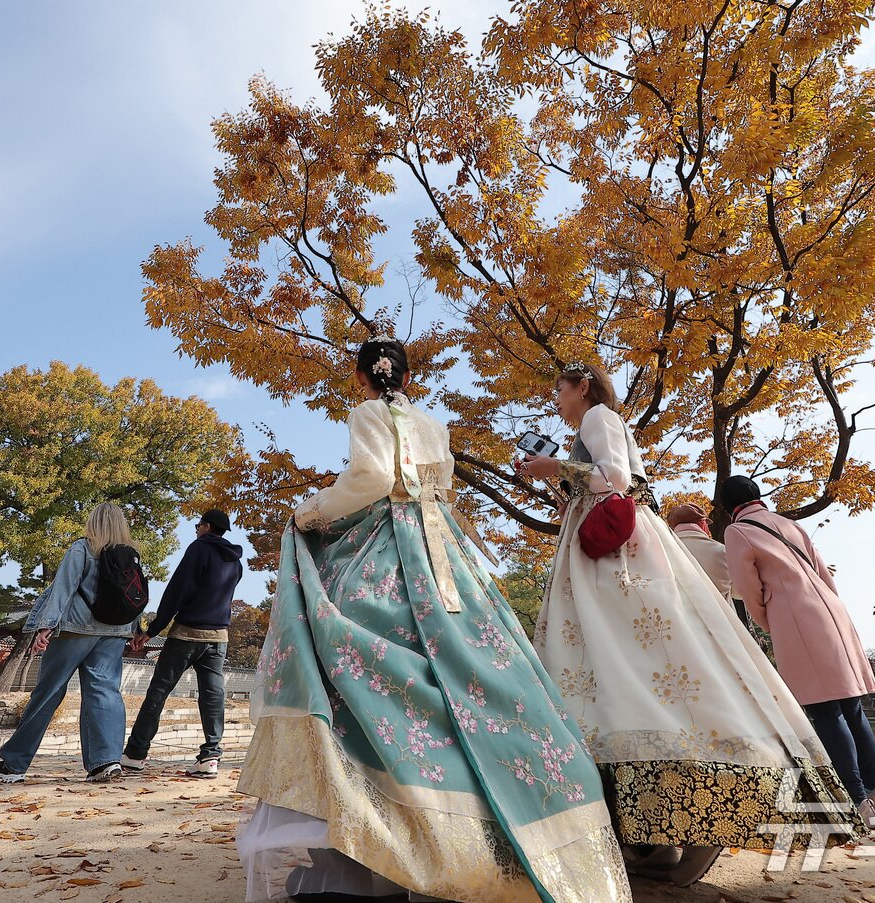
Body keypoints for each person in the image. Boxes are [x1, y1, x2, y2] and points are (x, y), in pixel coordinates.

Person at [238, 337, 630, 903]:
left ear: (364, 377)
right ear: (406, 373)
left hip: (388, 544)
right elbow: (440, 488)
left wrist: (311, 510)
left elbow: (371, 479)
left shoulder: (368, 411)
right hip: (441, 552)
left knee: (338, 652)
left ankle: (369, 840)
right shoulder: (432, 422)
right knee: (474, 662)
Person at [519, 363, 860, 886]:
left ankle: (657, 825)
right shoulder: (600, 423)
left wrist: (555, 468)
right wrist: (563, 479)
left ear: (582, 387)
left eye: (559, 389)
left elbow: (616, 480)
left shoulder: (597, 418)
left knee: (619, 667)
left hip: (617, 560)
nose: (557, 400)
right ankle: (659, 834)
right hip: (624, 545)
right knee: (648, 663)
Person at [721, 474, 875, 826]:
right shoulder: (788, 523)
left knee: (826, 712)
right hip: (831, 610)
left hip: (795, 616)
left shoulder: (737, 531)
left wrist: (769, 620)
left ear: (727, 505)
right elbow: (823, 571)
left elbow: (746, 585)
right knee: (853, 709)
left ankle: (856, 800)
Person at [0, 502, 140, 783]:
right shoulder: (132, 555)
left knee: (48, 693)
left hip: (74, 630)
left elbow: (63, 589)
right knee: (104, 693)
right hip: (114, 633)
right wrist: (135, 630)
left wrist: (46, 626)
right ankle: (105, 761)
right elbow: (136, 595)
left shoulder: (83, 548)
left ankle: (14, 764)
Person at [122, 508, 243, 778]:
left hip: (187, 634)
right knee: (213, 697)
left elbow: (177, 590)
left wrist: (152, 629)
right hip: (218, 638)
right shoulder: (236, 561)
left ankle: (135, 754)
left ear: (207, 526)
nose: (197, 529)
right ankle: (210, 756)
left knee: (158, 692)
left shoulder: (198, 549)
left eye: (198, 525)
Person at [667, 503, 732, 601]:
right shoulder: (722, 551)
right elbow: (739, 592)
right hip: (718, 614)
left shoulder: (662, 551)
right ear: (702, 523)